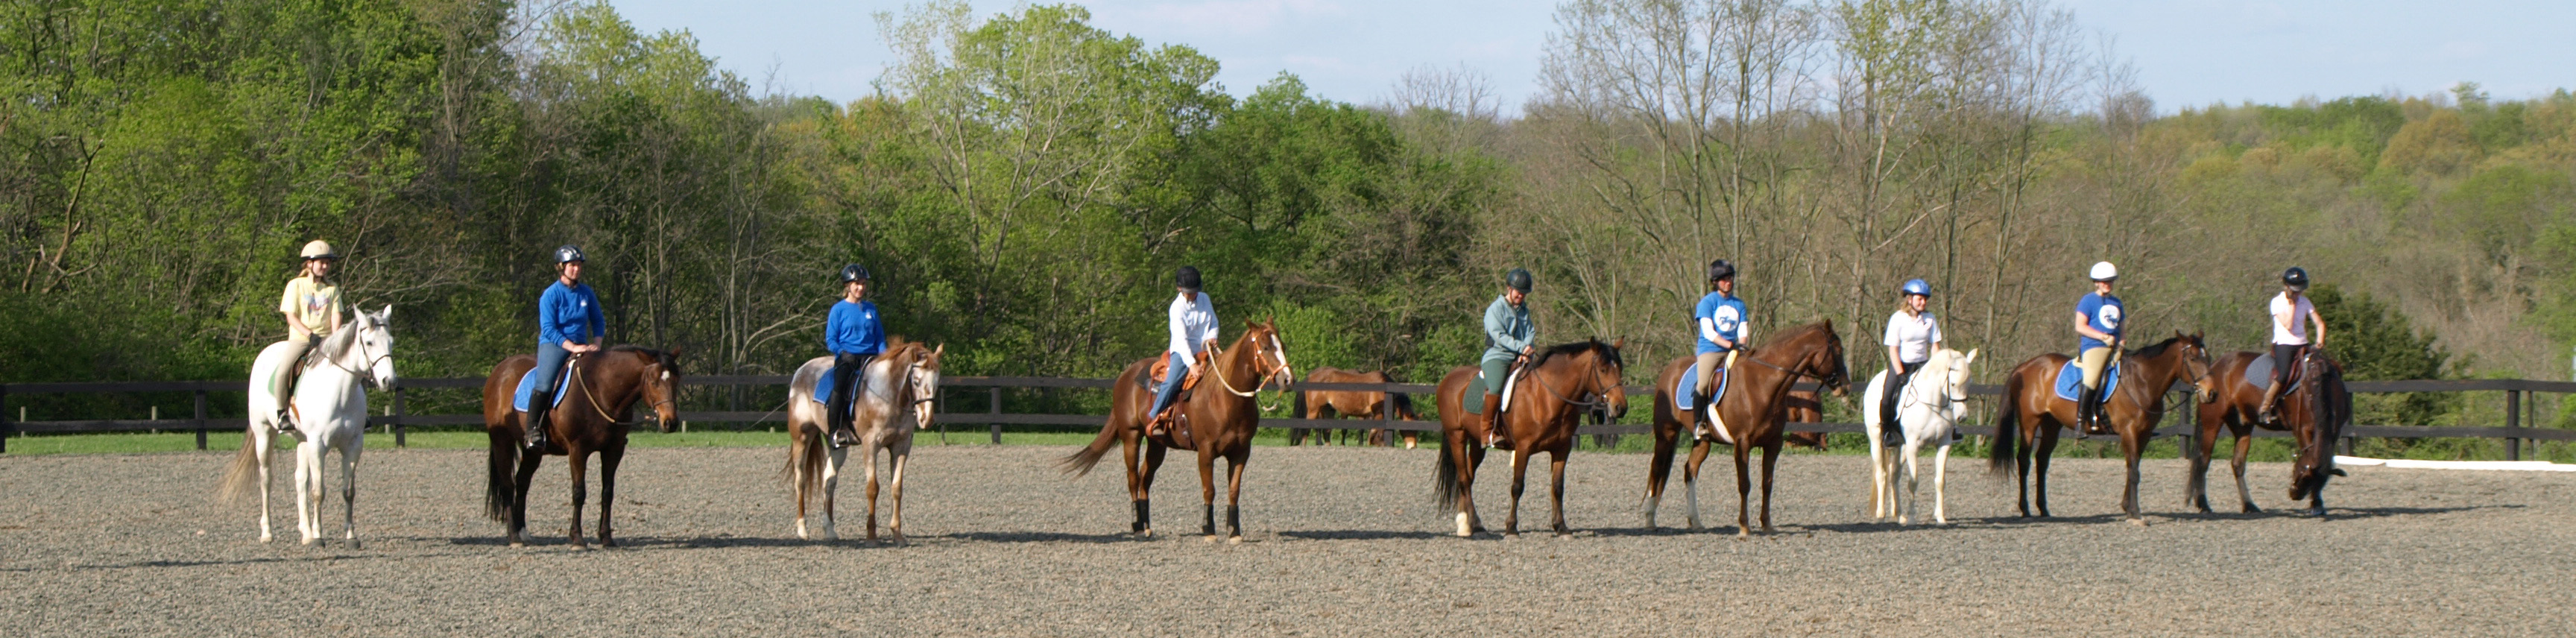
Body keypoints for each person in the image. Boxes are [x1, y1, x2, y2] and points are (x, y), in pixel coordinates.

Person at [526, 245, 604, 452]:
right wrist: (572, 347)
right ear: (562, 267)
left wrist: (596, 343)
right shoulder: (550, 295)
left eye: (579, 266)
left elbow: (598, 320)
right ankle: (533, 429)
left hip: (583, 346)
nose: (576, 270)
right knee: (545, 382)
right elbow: (549, 329)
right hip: (555, 345)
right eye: (572, 266)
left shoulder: (586, 293)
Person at [272, 240, 346, 434]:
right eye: (321, 262)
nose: (325, 266)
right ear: (309, 264)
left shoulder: (332, 288)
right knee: (283, 372)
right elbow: (291, 316)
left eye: (328, 263)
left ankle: (360, 414)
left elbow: (336, 314)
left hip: (327, 340)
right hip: (302, 338)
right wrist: (309, 335)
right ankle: (282, 414)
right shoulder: (296, 285)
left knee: (356, 367)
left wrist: (336, 338)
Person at [1146, 266, 1218, 437]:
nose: (1193, 295)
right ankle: (1154, 415)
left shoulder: (1205, 299)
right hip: (1183, 352)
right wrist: (1192, 364)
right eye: (1189, 292)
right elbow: (1181, 339)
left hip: (1205, 349)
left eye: (1195, 291)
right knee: (1172, 383)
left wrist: (1212, 336)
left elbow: (1213, 322)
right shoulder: (1176, 308)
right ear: (1180, 289)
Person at [823, 265, 886, 449]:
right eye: (857, 284)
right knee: (839, 387)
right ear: (847, 286)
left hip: (871, 358)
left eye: (863, 284)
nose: (861, 288)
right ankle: (834, 432)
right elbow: (831, 339)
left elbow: (880, 338)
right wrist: (842, 353)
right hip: (848, 357)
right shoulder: (838, 310)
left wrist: (884, 357)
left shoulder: (871, 309)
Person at [2258, 267, 2327, 424]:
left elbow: (2319, 323)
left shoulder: (2305, 302)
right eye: (2295, 291)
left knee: (2320, 368)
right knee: (2283, 374)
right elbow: (2288, 325)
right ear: (2287, 288)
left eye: (2300, 291)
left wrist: (2320, 341)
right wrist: (2292, 305)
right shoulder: (2277, 303)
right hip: (2285, 344)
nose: (2298, 294)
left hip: (2302, 344)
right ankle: (2266, 406)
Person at [1691, 260, 1749, 442]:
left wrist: (1742, 345)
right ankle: (1698, 425)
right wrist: (1730, 346)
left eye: (1730, 278)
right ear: (1716, 281)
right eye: (1723, 279)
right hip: (1712, 350)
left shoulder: (1739, 304)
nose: (1728, 282)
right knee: (1703, 384)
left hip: (1735, 350)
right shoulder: (1707, 302)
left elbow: (1743, 330)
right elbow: (1709, 333)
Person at [1479, 268, 1536, 449]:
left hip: (1520, 357)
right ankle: (1487, 432)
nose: (1521, 296)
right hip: (1498, 355)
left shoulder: (1524, 311)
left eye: (1524, 293)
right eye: (1519, 292)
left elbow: (1530, 331)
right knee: (1496, 386)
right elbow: (1499, 336)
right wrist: (1521, 347)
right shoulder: (1495, 310)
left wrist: (1526, 350)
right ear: (1509, 289)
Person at [1880, 279, 1943, 443]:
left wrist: (1937, 367)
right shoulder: (1898, 318)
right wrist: (1900, 373)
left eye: (1925, 299)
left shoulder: (1930, 318)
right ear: (1910, 299)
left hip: (1923, 365)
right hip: (1902, 364)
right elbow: (1893, 349)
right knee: (1887, 398)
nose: (1924, 302)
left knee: (1946, 389)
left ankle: (1952, 428)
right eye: (1920, 299)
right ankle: (1887, 432)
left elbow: (1935, 346)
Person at [2072, 261, 2124, 435]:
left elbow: (2122, 329)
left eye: (2110, 281)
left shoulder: (2117, 303)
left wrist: (2122, 344)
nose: (2107, 284)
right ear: (2096, 282)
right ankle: (2081, 422)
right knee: (2092, 378)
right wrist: (2103, 337)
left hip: (2115, 347)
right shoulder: (2088, 300)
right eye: (2103, 281)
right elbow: (2080, 326)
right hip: (2094, 346)